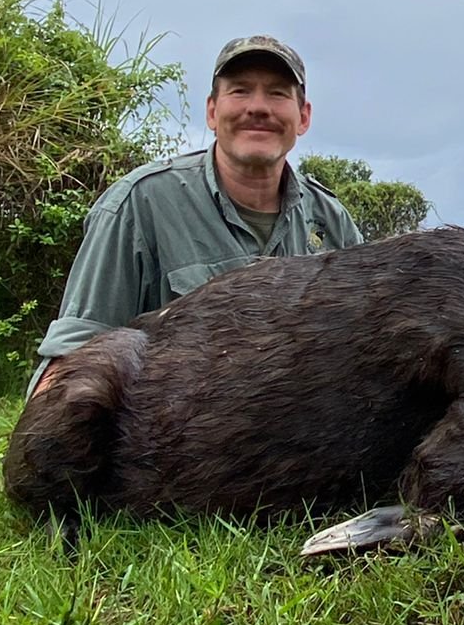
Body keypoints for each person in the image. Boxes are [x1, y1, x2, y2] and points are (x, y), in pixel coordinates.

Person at [26, 35, 363, 396]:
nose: (258, 107)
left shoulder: (332, 222)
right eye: (240, 91)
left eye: (278, 93)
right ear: (212, 112)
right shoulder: (139, 204)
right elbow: (71, 360)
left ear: (303, 117)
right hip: (172, 438)